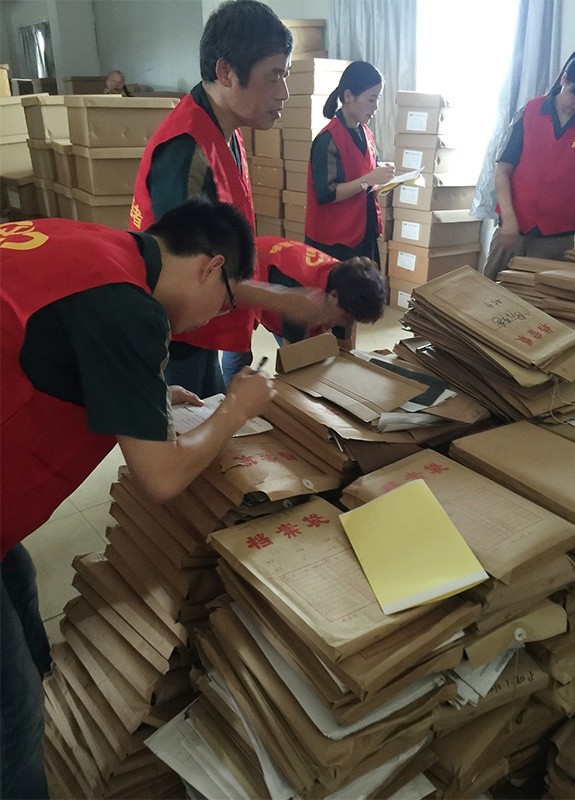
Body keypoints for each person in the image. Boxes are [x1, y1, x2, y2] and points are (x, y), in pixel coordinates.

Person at [0, 198, 276, 800]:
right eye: (225, 303)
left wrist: (143, 391)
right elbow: (162, 479)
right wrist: (235, 409)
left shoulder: (86, 242)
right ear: (211, 266)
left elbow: (53, 343)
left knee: (17, 577)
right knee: (10, 724)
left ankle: (42, 704)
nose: (213, 321)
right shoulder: (129, 310)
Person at [131, 0, 313, 395]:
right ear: (226, 72)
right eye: (274, 76)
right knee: (192, 420)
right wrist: (286, 300)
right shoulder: (185, 150)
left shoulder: (223, 129)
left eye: (285, 75)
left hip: (206, 322)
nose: (284, 92)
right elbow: (187, 275)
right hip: (177, 335)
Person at [484, 46, 575, 281]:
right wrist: (508, 218)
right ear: (564, 79)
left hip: (558, 234)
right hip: (514, 226)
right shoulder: (530, 111)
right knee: (491, 288)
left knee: (541, 294)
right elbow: (503, 170)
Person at [304, 60, 395, 268]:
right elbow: (327, 193)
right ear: (348, 96)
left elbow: (366, 174)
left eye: (378, 99)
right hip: (336, 241)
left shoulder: (366, 133)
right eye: (371, 99)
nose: (375, 107)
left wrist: (383, 178)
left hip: (363, 230)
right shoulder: (328, 139)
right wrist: (367, 180)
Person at [256, 236, 386, 348]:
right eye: (347, 318)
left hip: (282, 261)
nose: (349, 324)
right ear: (333, 296)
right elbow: (291, 355)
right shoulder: (300, 301)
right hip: (252, 266)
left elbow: (345, 346)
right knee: (295, 351)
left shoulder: (347, 285)